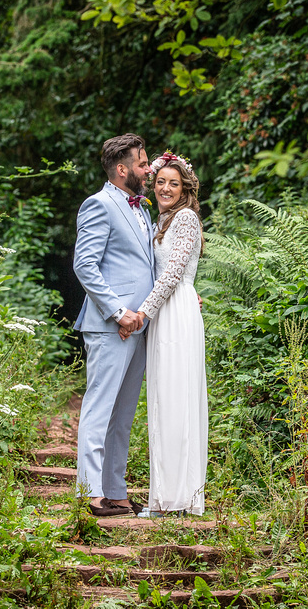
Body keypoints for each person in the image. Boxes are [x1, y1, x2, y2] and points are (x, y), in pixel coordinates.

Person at [72, 133, 155, 517]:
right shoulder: (99, 205)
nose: (148, 169)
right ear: (122, 170)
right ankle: (90, 493)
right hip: (110, 326)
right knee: (99, 409)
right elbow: (84, 265)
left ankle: (116, 492)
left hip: (140, 327)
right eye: (142, 164)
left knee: (123, 416)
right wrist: (119, 312)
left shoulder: (144, 209)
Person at [121, 151, 207, 516]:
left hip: (174, 314)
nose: (166, 188)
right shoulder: (163, 220)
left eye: (174, 183)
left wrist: (143, 312)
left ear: (184, 187)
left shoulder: (185, 218)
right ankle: (167, 495)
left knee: (175, 401)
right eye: (160, 182)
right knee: (163, 400)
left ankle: (176, 497)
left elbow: (173, 275)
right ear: (152, 185)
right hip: (168, 312)